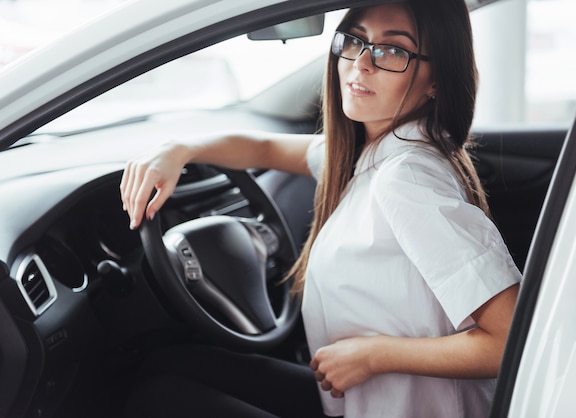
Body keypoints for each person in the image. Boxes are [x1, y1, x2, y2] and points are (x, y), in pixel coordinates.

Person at [120, 0, 522, 417]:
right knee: (170, 367)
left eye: (392, 51)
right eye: (356, 41)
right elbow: (267, 147)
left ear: (436, 78)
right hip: (359, 400)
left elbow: (511, 338)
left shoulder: (406, 179)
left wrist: (373, 357)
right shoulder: (374, 153)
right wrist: (180, 148)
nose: (361, 64)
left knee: (162, 398)